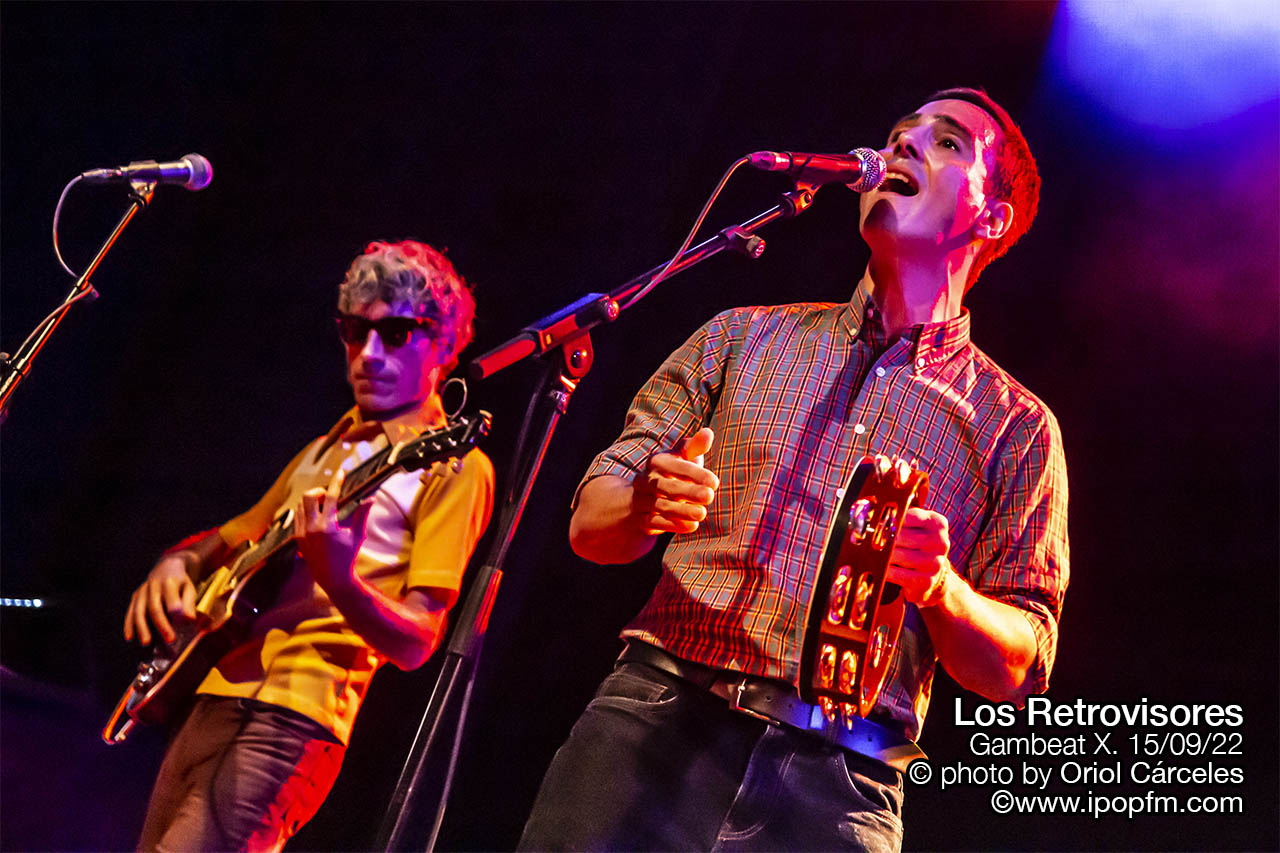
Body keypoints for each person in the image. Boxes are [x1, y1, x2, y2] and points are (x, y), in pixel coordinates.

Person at [519, 87, 1068, 851]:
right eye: (900, 132)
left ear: (993, 218)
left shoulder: (1016, 425)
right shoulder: (738, 338)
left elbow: (1019, 665)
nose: (905, 144)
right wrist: (643, 500)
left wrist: (942, 589)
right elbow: (589, 524)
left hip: (840, 785)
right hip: (654, 719)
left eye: (947, 142)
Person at [124, 240, 494, 851]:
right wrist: (177, 561)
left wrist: (341, 578)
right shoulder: (323, 448)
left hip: (294, 717)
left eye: (396, 334)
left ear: (444, 345)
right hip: (212, 691)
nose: (369, 354)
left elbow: (419, 641)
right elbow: (234, 536)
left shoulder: (454, 468)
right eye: (354, 332)